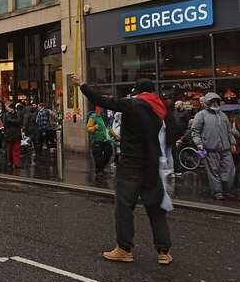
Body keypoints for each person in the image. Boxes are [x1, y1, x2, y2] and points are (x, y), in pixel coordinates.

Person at [73, 75, 172, 266]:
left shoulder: (134, 104)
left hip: (131, 162)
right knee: (156, 207)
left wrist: (83, 85)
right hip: (152, 162)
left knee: (124, 205)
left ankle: (124, 249)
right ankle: (163, 251)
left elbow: (103, 101)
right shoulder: (159, 109)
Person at [191, 93, 237, 201]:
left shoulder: (223, 115)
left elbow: (229, 131)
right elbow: (195, 131)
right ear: (208, 103)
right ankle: (218, 192)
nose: (215, 103)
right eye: (213, 101)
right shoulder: (201, 115)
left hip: (225, 149)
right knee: (214, 172)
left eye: (216, 101)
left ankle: (226, 189)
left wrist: (232, 143)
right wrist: (199, 143)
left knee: (229, 171)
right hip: (210, 148)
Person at [86, 108, 115, 176]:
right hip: (96, 140)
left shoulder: (105, 118)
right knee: (98, 156)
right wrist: (94, 127)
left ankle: (101, 168)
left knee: (108, 153)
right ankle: (99, 171)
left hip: (105, 140)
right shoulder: (92, 118)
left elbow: (109, 129)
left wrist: (115, 136)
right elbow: (88, 129)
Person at [3, 103, 23, 169]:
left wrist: (9, 121)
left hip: (16, 134)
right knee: (9, 150)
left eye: (10, 108)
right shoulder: (6, 115)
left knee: (16, 150)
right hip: (9, 134)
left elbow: (19, 121)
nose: (9, 109)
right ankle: (10, 161)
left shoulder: (17, 114)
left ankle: (17, 163)